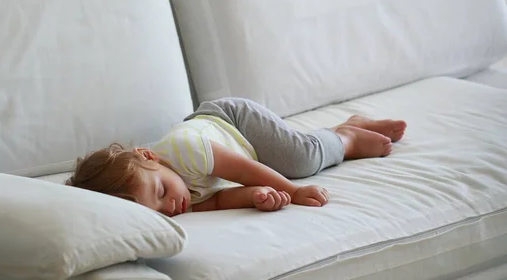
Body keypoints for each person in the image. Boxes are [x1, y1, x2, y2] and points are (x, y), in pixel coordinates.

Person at [66, 98, 407, 216]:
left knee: (299, 160)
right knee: (286, 165)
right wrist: (258, 198)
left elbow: (245, 169)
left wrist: (293, 189)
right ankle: (343, 131)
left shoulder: (185, 150)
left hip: (234, 121)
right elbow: (216, 202)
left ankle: (347, 135)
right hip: (230, 145)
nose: (169, 207)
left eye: (160, 192)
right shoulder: (169, 205)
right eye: (156, 211)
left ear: (148, 155)